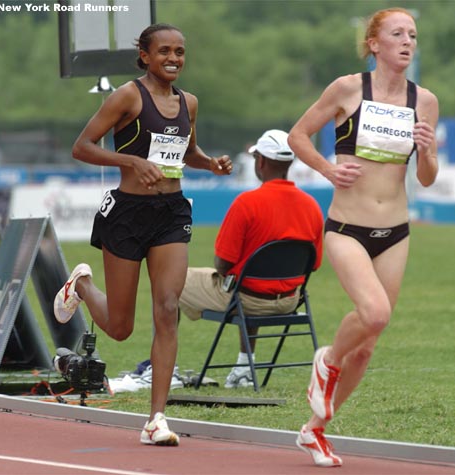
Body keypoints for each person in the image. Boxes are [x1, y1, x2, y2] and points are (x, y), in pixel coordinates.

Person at [53, 23, 232, 446]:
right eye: (165, 51)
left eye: (180, 52)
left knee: (167, 308)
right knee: (119, 327)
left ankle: (156, 419)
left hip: (171, 212)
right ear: (145, 57)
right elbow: (82, 146)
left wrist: (212, 164)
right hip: (127, 214)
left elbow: (187, 152)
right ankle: (80, 283)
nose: (173, 58)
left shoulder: (189, 102)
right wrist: (131, 164)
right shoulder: (128, 96)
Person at [287, 8, 439, 467]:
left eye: (412, 34)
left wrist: (429, 152)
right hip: (346, 228)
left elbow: (427, 178)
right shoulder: (348, 88)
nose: (407, 41)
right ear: (374, 43)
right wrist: (329, 168)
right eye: (397, 33)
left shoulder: (425, 100)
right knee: (373, 314)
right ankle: (327, 360)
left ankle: (314, 430)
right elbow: (298, 136)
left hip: (394, 231)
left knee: (370, 341)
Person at [178, 129, 324, 388]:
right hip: (290, 301)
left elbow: (221, 264)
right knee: (246, 280)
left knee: (170, 279)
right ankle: (244, 368)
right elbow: (314, 263)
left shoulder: (247, 203)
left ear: (261, 162)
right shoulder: (311, 205)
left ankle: (161, 368)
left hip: (246, 300)